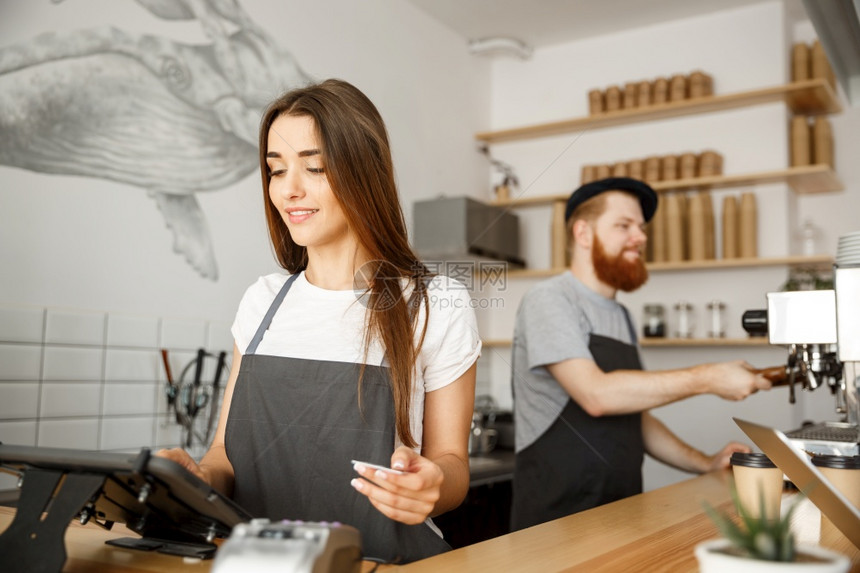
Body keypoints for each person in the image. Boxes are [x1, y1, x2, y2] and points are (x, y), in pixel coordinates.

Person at [159, 79, 481, 563]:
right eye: (276, 169)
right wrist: (196, 482)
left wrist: (431, 486)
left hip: (379, 561)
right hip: (256, 562)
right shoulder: (262, 301)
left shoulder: (436, 302)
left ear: (364, 173)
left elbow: (452, 463)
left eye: (315, 167)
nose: (289, 190)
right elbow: (225, 453)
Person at [509, 177, 772, 531]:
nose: (641, 237)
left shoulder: (621, 316)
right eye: (624, 226)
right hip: (556, 521)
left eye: (642, 228)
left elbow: (638, 420)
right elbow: (596, 395)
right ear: (583, 234)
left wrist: (705, 462)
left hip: (622, 513)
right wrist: (708, 378)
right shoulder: (550, 300)